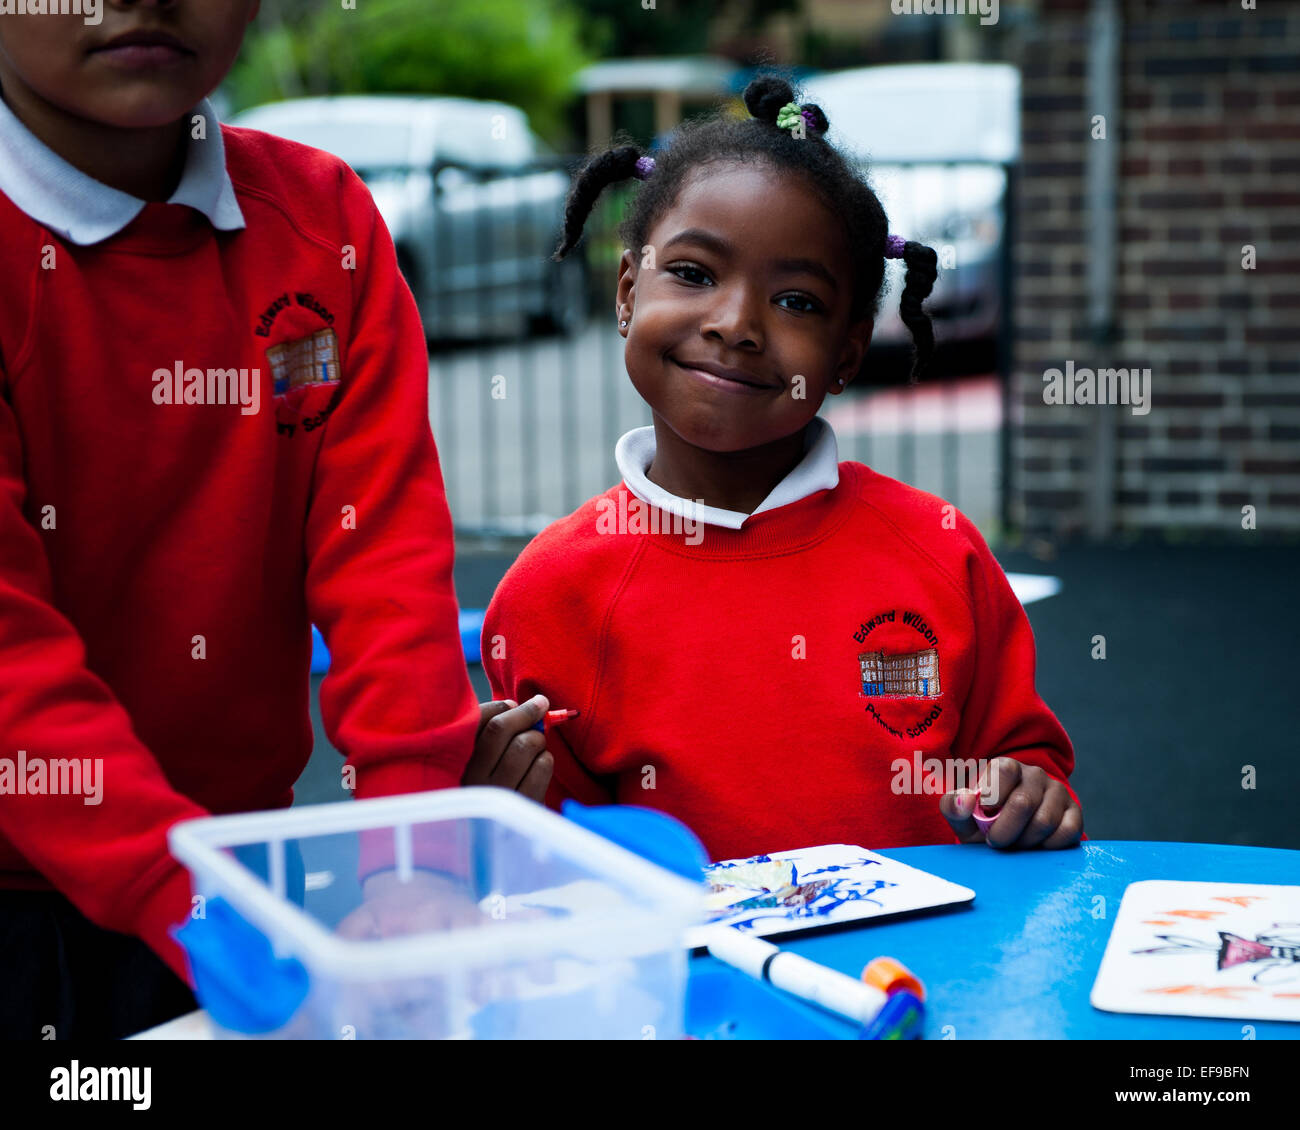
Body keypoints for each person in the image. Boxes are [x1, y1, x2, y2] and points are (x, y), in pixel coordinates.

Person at [0, 2, 477, 1038]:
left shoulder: (323, 222)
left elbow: (385, 559)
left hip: (240, 879)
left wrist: (412, 858)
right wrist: (188, 899)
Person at [470, 74, 1084, 861]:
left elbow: (1027, 769)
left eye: (796, 301)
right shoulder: (552, 592)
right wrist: (498, 812)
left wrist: (1028, 796)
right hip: (702, 987)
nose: (736, 325)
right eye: (693, 273)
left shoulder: (940, 550)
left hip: (930, 979)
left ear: (847, 355)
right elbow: (562, 872)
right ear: (627, 292)